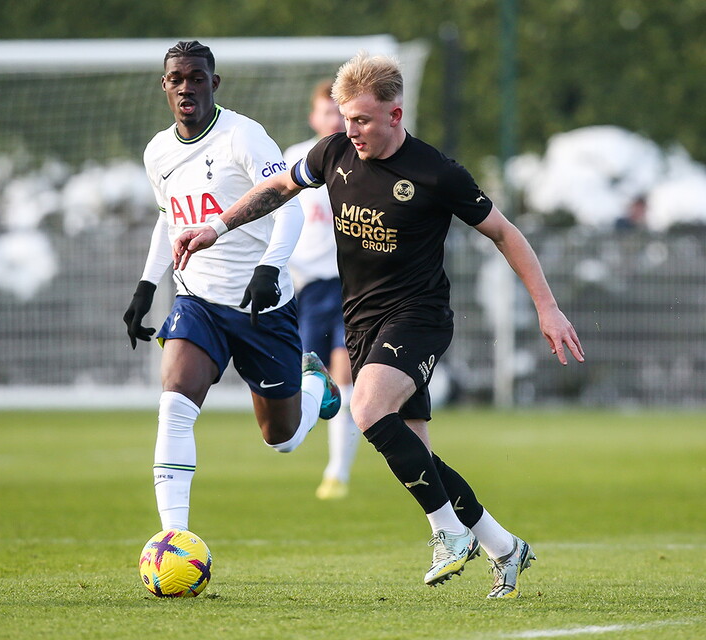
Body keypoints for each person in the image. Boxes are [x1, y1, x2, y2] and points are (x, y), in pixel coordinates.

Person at [172, 52, 585, 599]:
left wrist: (547, 306)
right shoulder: (335, 152)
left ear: (395, 114)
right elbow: (277, 192)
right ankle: (505, 547)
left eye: (362, 120)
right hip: (361, 319)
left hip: (419, 317)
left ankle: (447, 533)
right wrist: (217, 227)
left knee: (366, 410)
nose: (351, 130)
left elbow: (505, 234)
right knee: (418, 454)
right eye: (345, 118)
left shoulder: (437, 173)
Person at [123, 41, 341, 534]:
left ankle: (313, 382)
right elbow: (167, 221)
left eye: (196, 78)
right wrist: (144, 286)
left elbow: (288, 204)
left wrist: (270, 266)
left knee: (280, 438)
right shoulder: (157, 152)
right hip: (197, 299)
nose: (186, 87)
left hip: (263, 305)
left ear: (212, 84)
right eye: (177, 78)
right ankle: (172, 539)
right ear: (165, 86)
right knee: (174, 404)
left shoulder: (244, 136)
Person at [283, 80, 360, 501]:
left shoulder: (361, 157)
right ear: (313, 117)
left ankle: (337, 471)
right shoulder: (295, 159)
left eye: (339, 112)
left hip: (351, 285)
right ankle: (319, 442)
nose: (333, 119)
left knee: (344, 372)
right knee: (315, 375)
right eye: (325, 111)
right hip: (308, 287)